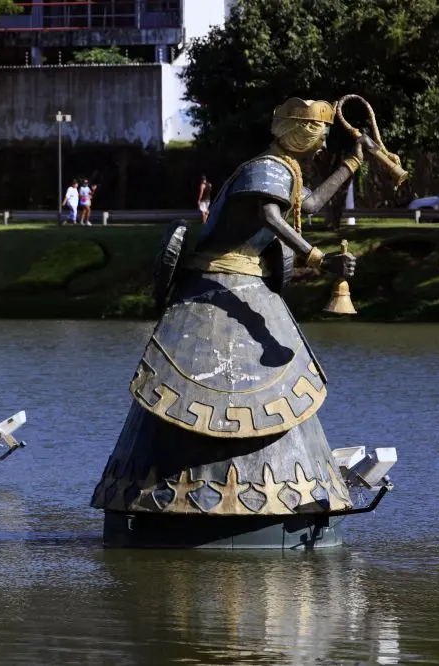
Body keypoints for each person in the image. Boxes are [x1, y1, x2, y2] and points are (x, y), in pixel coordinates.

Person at [91, 97, 371, 548]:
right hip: (217, 282)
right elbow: (270, 216)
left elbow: (308, 207)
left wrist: (353, 163)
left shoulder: (285, 173)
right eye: (319, 138)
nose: (321, 148)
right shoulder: (267, 168)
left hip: (250, 284)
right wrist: (317, 258)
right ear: (300, 133)